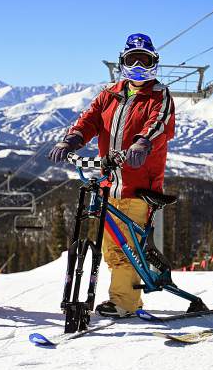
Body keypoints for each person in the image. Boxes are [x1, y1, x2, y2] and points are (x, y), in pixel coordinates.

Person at [49, 33, 175, 318]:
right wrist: (72, 140)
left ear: (154, 62)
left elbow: (159, 123)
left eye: (146, 60)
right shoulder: (110, 93)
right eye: (134, 60)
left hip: (138, 184)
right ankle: (128, 296)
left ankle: (124, 301)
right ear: (124, 62)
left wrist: (143, 142)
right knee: (113, 249)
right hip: (109, 184)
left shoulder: (159, 94)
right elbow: (90, 119)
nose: (139, 67)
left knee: (126, 249)